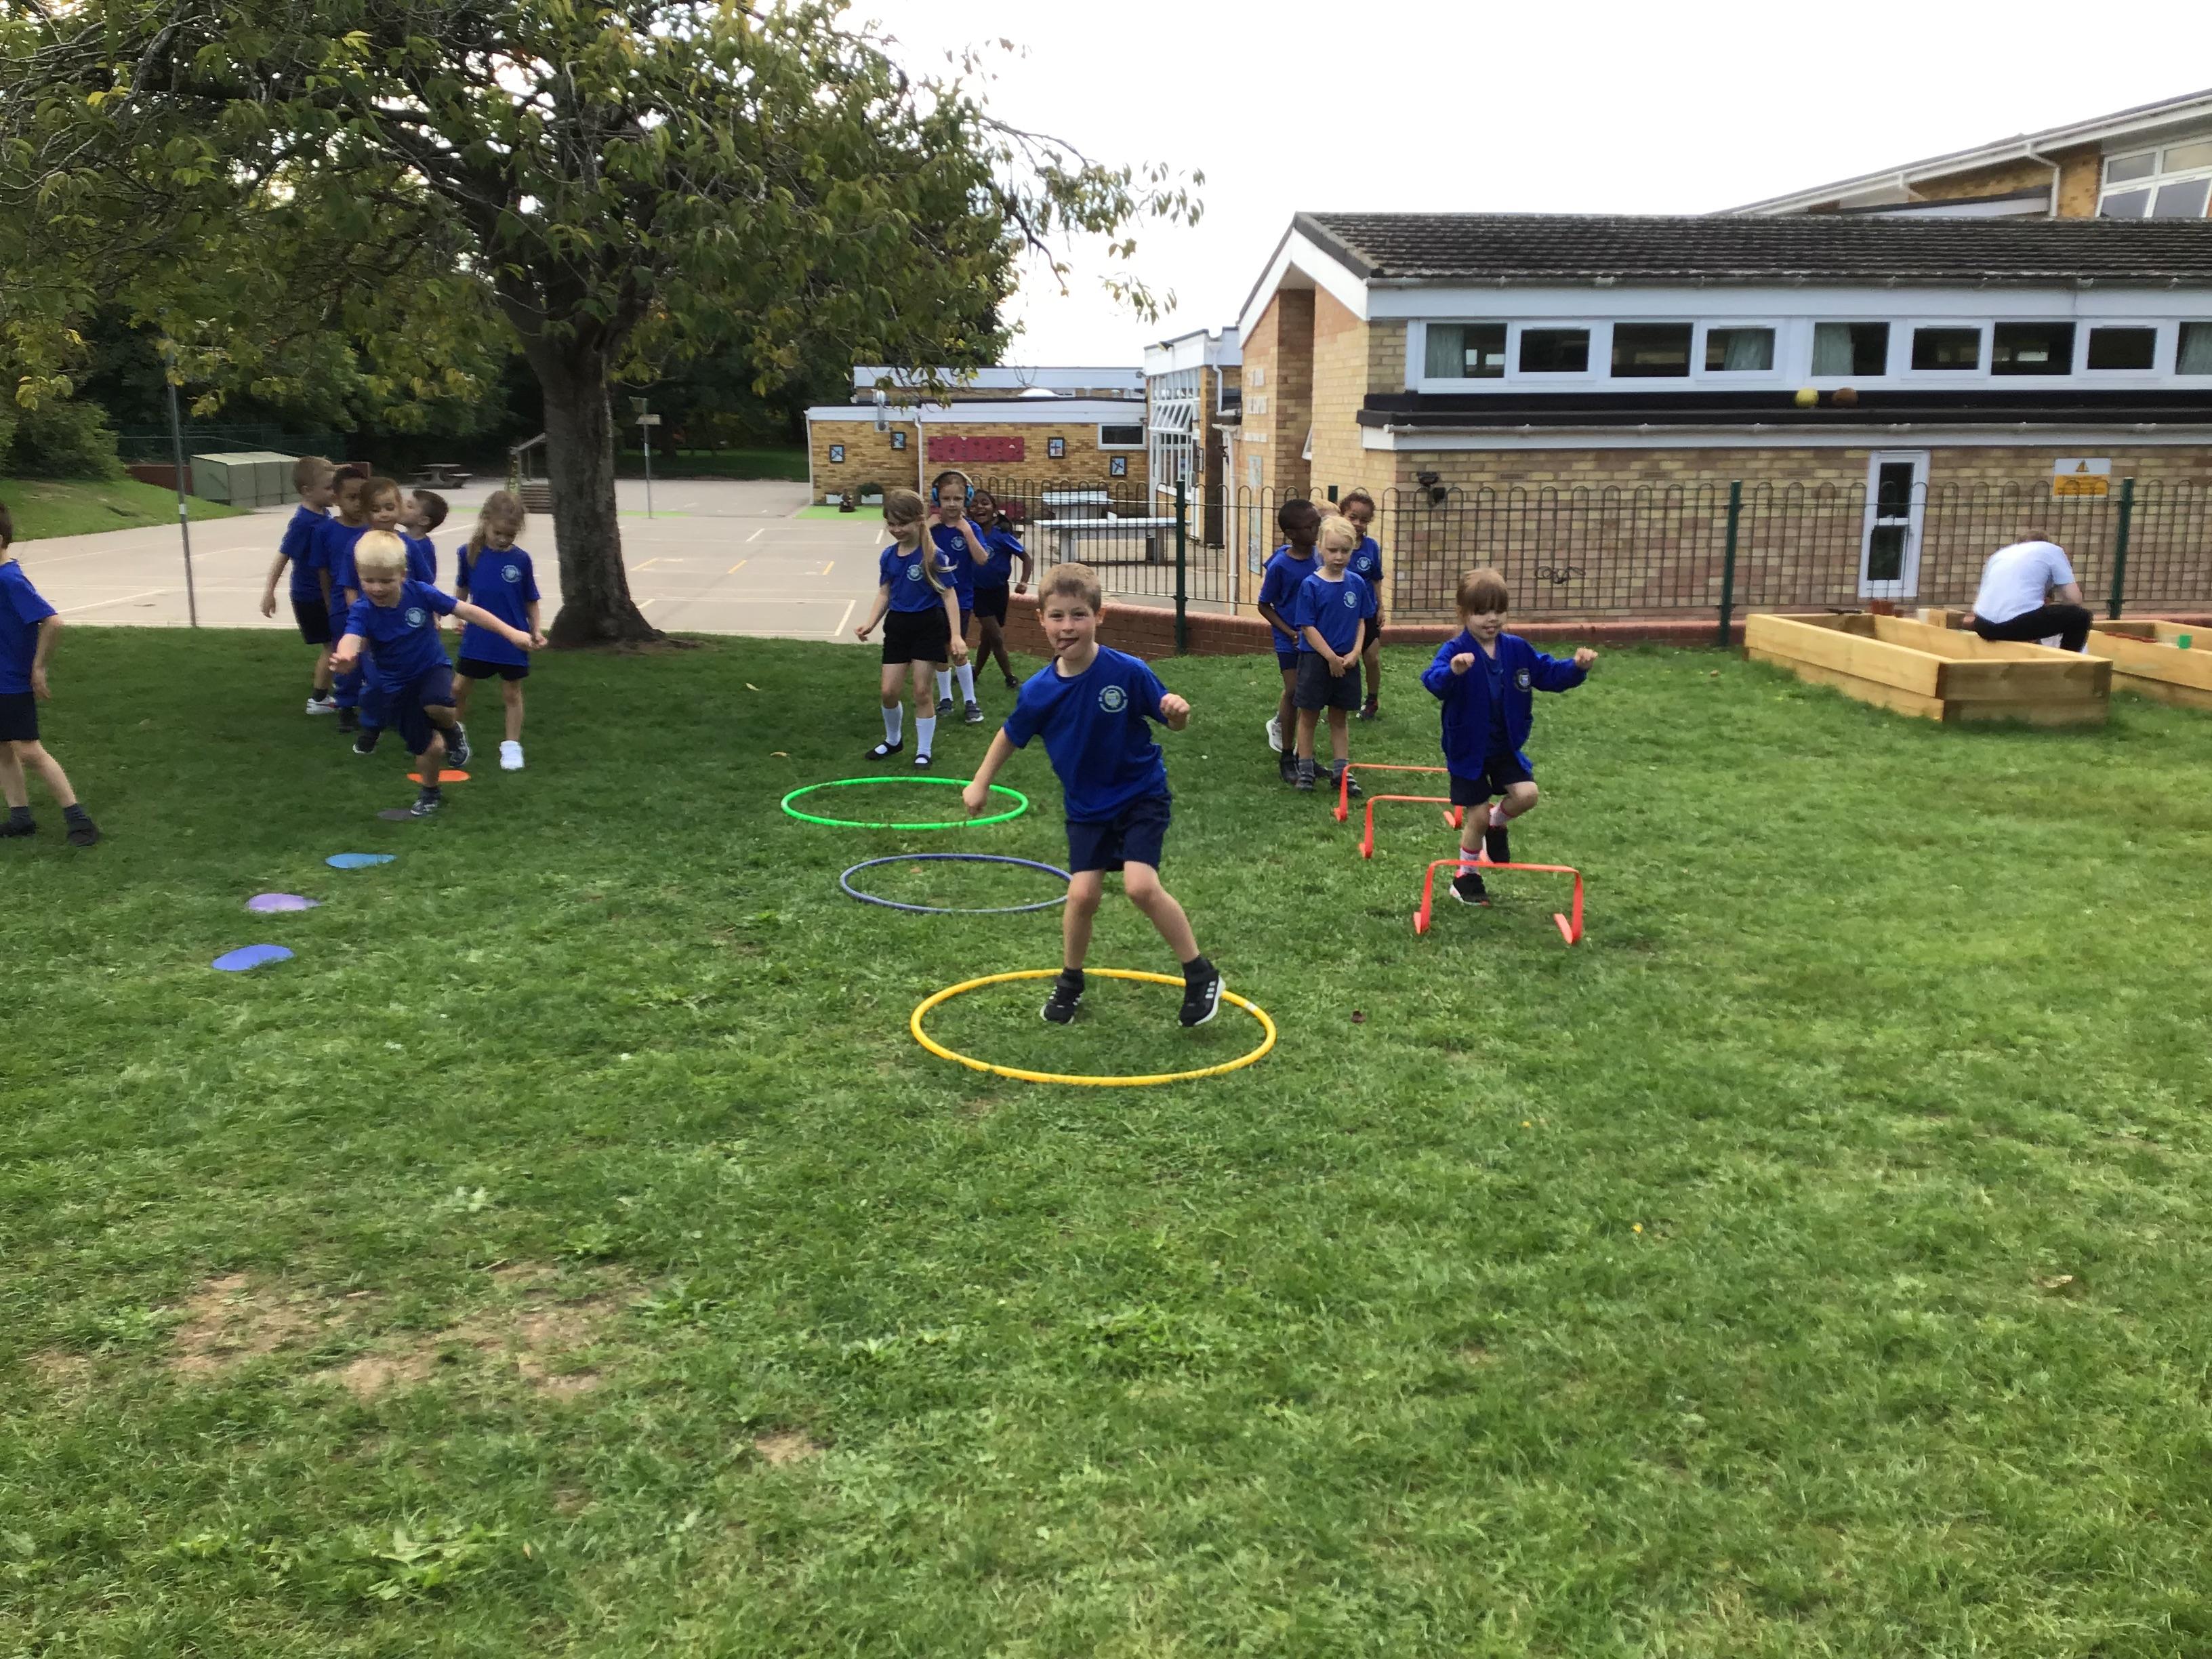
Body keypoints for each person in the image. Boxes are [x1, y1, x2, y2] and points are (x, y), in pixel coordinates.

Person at [962, 562, 1221, 1027]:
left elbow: (1172, 720)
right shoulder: (1039, 691)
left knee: (1140, 886)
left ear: (1099, 616)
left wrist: (1178, 713)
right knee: (1081, 895)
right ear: (1041, 620)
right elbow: (1010, 735)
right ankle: (1071, 980)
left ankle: (1200, 973)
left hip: (1140, 795)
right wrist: (980, 781)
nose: (1068, 626)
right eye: (1057, 616)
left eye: (1079, 615)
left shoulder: (1128, 671)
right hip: (1086, 808)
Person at [1421, 568, 1594, 907]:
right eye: (1482, 612)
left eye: (1499, 610)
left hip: (1504, 746)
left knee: (1528, 795)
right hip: (1468, 749)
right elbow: (1433, 680)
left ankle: (1497, 824)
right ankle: (1465, 877)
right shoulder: (1456, 649)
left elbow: (1547, 673)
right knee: (1476, 816)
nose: (1492, 619)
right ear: (1463, 613)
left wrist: (1576, 668)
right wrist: (1453, 671)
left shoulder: (1516, 649)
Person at [331, 532, 532, 818]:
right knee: (430, 748)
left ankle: (453, 730)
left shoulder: (421, 593)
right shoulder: (363, 609)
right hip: (395, 686)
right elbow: (351, 637)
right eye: (368, 580)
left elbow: (469, 611)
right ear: (359, 577)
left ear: (403, 575)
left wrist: (512, 634)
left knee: (437, 702)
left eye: (385, 581)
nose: (376, 588)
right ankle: (430, 792)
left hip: (431, 668)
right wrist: (345, 655)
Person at [0, 503, 100, 846]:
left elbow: (53, 622)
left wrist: (38, 668)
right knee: (2, 749)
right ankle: (20, 818)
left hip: (11, 682)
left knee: (29, 752)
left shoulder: (10, 580)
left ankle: (79, 820)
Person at [855, 487, 967, 769]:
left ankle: (924, 750)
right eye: (891, 524)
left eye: (902, 523)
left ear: (919, 519)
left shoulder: (934, 556)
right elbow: (885, 593)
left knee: (921, 691)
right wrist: (870, 623)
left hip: (928, 626)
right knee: (888, 692)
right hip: (898, 627)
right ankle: (893, 740)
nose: (896, 529)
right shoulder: (888, 556)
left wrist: (956, 636)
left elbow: (949, 595)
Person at [451, 491, 545, 772]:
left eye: (510, 535)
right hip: (478, 637)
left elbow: (531, 600)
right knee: (458, 688)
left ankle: (512, 746)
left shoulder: (521, 560)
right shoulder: (468, 554)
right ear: (485, 521)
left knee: (512, 694)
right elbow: (461, 588)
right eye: (498, 533)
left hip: (513, 638)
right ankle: (455, 736)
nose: (504, 539)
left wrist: (536, 630)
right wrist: (457, 616)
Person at [1289, 513, 1377, 794]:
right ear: (1320, 548)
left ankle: (1342, 773)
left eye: (1345, 551)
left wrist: (1355, 652)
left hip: (1347, 659)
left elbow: (1362, 621)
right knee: (1309, 714)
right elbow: (1307, 626)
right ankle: (1305, 769)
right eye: (1333, 550)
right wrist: (1329, 657)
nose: (1339, 557)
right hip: (1316, 659)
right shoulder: (1311, 585)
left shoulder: (1357, 583)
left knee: (1339, 717)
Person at [258, 456, 340, 714]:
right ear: (307, 491)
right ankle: (318, 700)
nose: (334, 492)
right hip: (311, 596)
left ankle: (341, 684)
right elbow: (283, 556)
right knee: (333, 644)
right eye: (329, 488)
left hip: (325, 592)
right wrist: (269, 592)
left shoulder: (323, 514)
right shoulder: (303, 522)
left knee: (339, 641)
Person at [1255, 497, 1321, 780]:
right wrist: (1290, 632)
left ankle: (1305, 756)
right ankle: (1286, 755)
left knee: (1312, 696)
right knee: (1294, 691)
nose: (1317, 530)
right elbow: (1264, 605)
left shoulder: (1321, 558)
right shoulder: (1281, 565)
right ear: (1292, 533)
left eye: (1318, 523)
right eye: (1310, 526)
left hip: (1316, 638)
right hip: (1290, 639)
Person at [347, 477, 413, 755]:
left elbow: (424, 584)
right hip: (375, 628)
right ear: (366, 513)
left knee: (413, 680)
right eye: (376, 509)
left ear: (400, 507)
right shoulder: (358, 546)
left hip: (407, 627)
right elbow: (350, 587)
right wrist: (358, 627)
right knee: (376, 684)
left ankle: (416, 732)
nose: (384, 514)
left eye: (389, 507)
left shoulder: (408, 545)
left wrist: (430, 615)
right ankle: (371, 729)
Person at [928, 468, 989, 722]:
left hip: (961, 599)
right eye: (946, 499)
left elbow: (982, 559)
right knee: (939, 652)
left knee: (958, 649)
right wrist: (926, 528)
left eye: (958, 499)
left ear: (967, 499)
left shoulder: (971, 527)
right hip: (932, 599)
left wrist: (968, 533)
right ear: (937, 499)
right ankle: (945, 698)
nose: (952, 504)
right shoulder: (931, 528)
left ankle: (970, 701)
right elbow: (910, 551)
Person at [1969, 528, 2093, 652]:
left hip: (1983, 626)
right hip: (2015, 625)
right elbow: (2074, 599)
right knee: (2080, 617)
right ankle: (2068, 661)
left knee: (2033, 616)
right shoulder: (2052, 550)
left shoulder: (2000, 554)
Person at [317, 464, 373, 733]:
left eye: (362, 497)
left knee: (378, 656)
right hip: (343, 608)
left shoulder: (375, 528)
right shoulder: (326, 531)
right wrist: (330, 604)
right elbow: (323, 572)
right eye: (351, 497)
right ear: (336, 498)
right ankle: (347, 707)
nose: (358, 503)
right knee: (347, 658)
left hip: (378, 604)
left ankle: (380, 705)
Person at [966, 487, 1031, 691]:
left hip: (999, 592)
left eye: (984, 503)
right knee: (996, 636)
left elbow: (1026, 558)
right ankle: (1010, 677)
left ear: (994, 510)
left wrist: (1024, 582)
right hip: (978, 593)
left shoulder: (1001, 535)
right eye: (974, 504)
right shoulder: (968, 534)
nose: (979, 507)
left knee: (987, 637)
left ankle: (974, 674)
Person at [1340, 487, 1387, 720]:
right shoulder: (1335, 545)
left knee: (1372, 658)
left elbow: (1376, 578)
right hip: (1342, 613)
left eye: (1364, 520)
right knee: (1343, 658)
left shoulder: (1372, 547)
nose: (1358, 524)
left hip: (1367, 612)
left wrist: (1381, 607)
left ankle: (1372, 700)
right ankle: (1337, 701)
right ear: (1342, 515)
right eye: (1353, 517)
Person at [402, 488, 447, 585]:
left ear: (424, 521)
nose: (402, 507)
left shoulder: (424, 547)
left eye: (409, 506)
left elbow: (427, 580)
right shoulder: (397, 537)